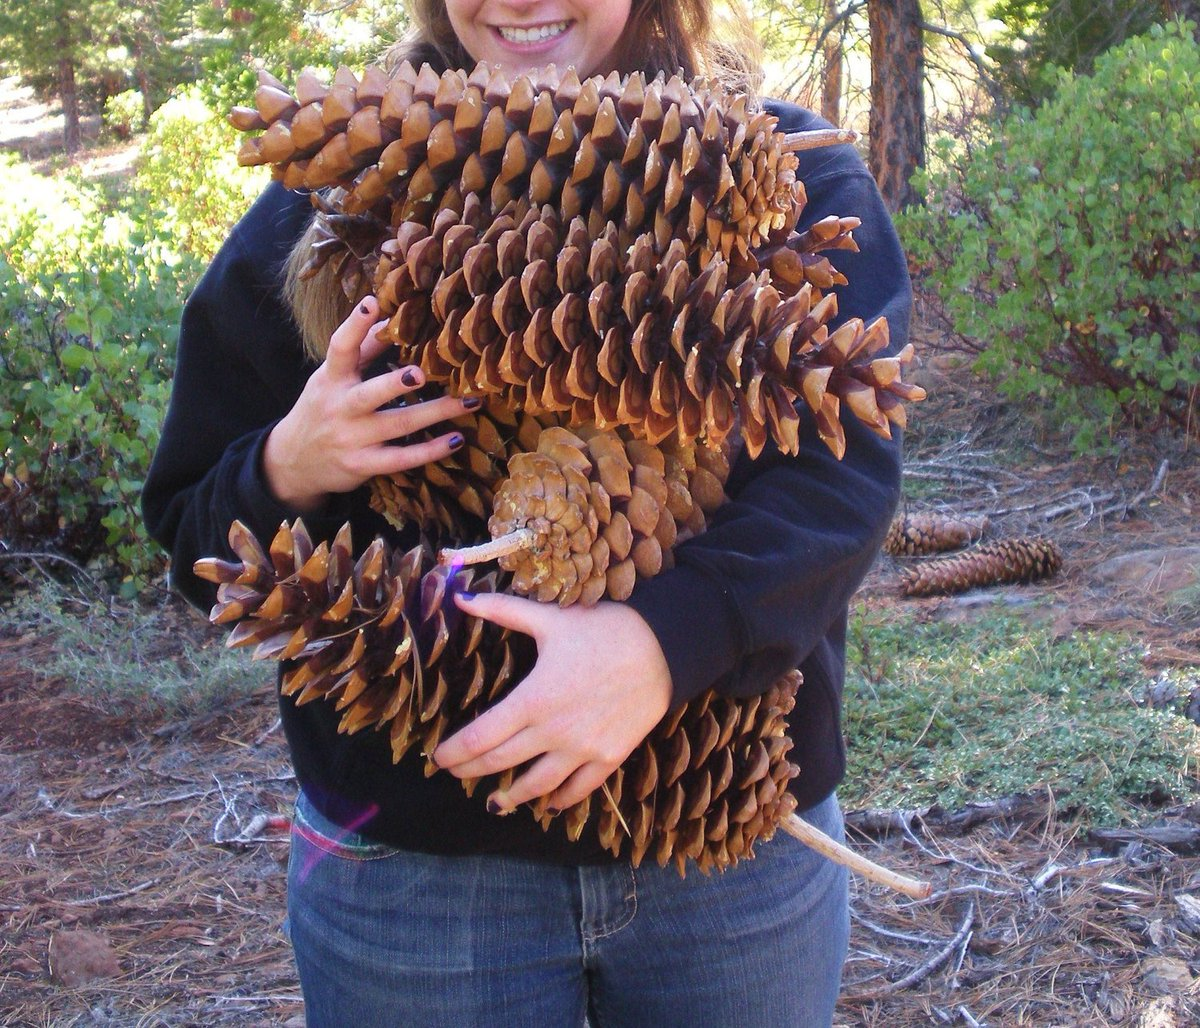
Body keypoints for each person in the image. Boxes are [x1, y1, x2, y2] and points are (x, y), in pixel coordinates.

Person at [142, 2, 909, 1024]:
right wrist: (291, 460)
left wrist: (662, 645)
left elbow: (838, 482)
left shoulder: (783, 177)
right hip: (418, 879)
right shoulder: (339, 191)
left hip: (729, 856)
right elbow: (195, 524)